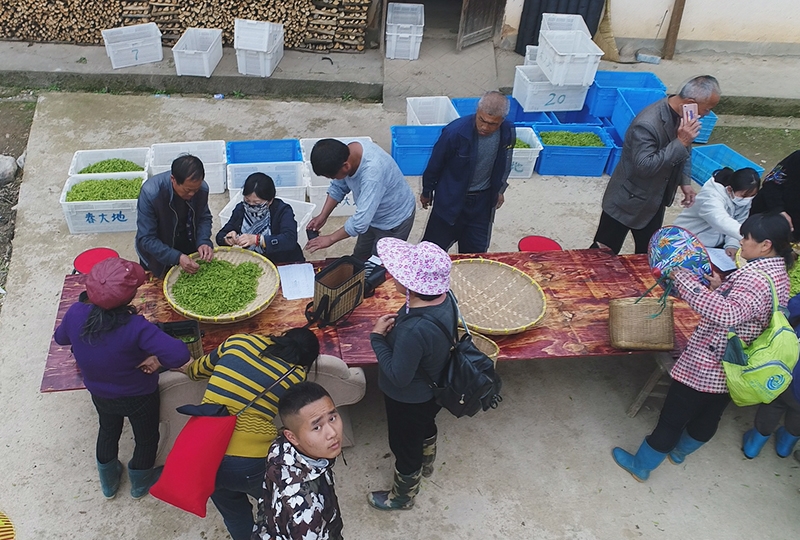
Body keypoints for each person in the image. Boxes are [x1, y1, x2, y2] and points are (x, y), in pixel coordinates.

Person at [612, 212, 794, 482]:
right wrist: (721, 287)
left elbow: (726, 314)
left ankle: (641, 465)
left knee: (672, 419)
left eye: (747, 238)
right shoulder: (777, 274)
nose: (741, 241)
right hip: (735, 365)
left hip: (708, 363)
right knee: (709, 416)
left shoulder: (755, 279)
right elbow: (748, 309)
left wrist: (682, 279)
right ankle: (680, 452)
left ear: (766, 245)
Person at [53, 258, 190, 499]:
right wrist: (157, 361)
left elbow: (61, 339)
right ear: (128, 299)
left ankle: (108, 482)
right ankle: (140, 482)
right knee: (146, 438)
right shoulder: (136, 327)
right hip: (138, 394)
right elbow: (180, 354)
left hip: (99, 392)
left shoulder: (76, 313)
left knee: (107, 430)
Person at [182, 328, 319, 540]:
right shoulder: (296, 376)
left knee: (235, 516)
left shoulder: (239, 342)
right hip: (251, 461)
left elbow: (195, 371)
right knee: (277, 509)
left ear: (282, 336)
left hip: (204, 454)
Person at [367, 238, 455, 510]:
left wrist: (377, 339)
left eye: (400, 272)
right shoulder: (445, 298)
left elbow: (398, 375)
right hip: (435, 387)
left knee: (404, 446)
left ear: (413, 286)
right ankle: (427, 460)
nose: (393, 274)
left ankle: (402, 496)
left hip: (408, 398)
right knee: (426, 426)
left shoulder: (413, 331)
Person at [591, 75, 722, 254]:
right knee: (602, 252)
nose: (706, 114)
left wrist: (684, 182)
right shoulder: (647, 124)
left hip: (655, 199)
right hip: (628, 199)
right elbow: (644, 166)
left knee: (649, 253)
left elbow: (686, 148)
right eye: (706, 109)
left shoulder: (684, 115)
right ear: (690, 102)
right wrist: (680, 141)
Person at [420, 91, 514, 253]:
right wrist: (427, 191)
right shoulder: (455, 132)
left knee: (476, 254)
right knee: (430, 253)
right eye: (482, 120)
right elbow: (435, 164)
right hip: (451, 201)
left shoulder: (508, 131)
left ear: (502, 121)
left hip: (482, 205)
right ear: (477, 112)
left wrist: (500, 189)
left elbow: (505, 161)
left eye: (492, 124)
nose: (485, 127)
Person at [253, 381, 344, 540]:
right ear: (292, 436)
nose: (332, 433)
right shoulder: (306, 511)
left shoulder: (280, 449)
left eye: (332, 418)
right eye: (317, 427)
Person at [304, 138, 416, 260]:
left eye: (332, 176)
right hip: (371, 217)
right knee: (360, 257)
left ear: (346, 166)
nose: (333, 179)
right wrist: (323, 216)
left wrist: (330, 238)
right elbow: (338, 187)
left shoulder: (372, 175)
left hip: (394, 221)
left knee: (378, 267)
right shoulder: (347, 152)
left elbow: (360, 222)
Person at [740, 293, 800, 460]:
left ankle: (753, 445)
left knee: (775, 403)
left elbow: (791, 309)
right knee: (798, 415)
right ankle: (785, 446)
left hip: (793, 373)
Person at [135, 154, 214, 278]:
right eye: (188, 190)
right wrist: (176, 257)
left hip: (186, 240)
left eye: (196, 190)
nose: (192, 194)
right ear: (173, 179)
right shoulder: (151, 193)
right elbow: (146, 238)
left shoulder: (202, 189)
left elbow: (204, 217)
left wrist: (203, 241)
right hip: (158, 250)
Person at [216, 172, 304, 264]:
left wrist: (258, 240)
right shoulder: (241, 209)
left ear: (270, 201)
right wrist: (227, 239)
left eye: (257, 203)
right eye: (247, 200)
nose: (251, 205)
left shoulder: (282, 210)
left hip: (282, 261)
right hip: (253, 262)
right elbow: (220, 236)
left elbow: (289, 240)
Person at [673, 167, 761, 259]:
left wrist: (732, 244)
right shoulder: (710, 197)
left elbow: (740, 221)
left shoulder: (744, 200)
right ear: (729, 189)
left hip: (711, 248)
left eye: (752, 196)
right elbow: (721, 221)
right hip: (684, 240)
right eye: (744, 196)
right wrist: (750, 237)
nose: (747, 199)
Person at [750, 150, 800, 241]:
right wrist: (779, 210)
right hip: (767, 213)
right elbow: (771, 181)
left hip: (792, 235)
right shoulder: (797, 158)